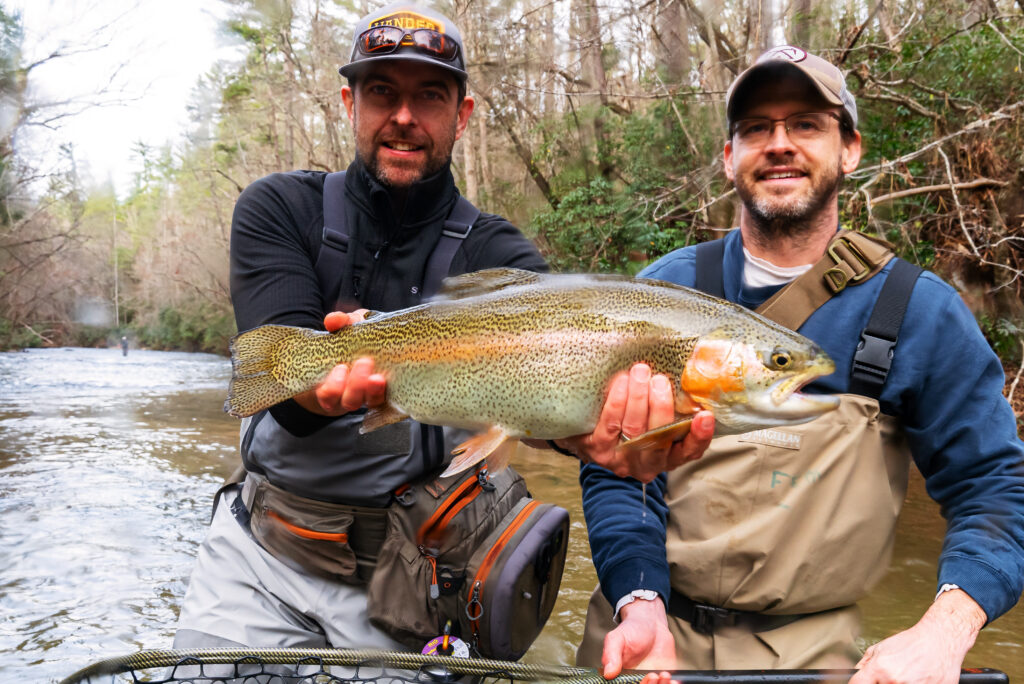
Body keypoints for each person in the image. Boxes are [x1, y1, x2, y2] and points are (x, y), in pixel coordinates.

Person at [172, 1, 710, 655]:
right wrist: (319, 386)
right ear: (350, 104)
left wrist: (599, 441)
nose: (403, 116)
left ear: (462, 115)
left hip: (417, 573)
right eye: (382, 93)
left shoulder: (501, 255)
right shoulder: (279, 208)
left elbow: (539, 397)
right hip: (260, 558)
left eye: (428, 95)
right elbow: (280, 366)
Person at [575, 45, 1024, 683]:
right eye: (756, 128)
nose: (779, 143)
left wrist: (943, 632)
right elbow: (619, 471)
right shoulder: (661, 293)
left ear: (850, 149)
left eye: (807, 124)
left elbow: (995, 489)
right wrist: (638, 597)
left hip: (817, 662)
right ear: (729, 158)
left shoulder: (920, 313)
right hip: (639, 636)